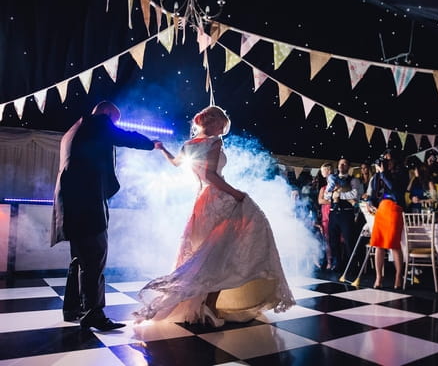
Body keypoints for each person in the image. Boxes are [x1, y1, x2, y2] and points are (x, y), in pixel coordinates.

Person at [133, 105, 294, 326]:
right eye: (222, 125)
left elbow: (175, 163)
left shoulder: (188, 144)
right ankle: (208, 306)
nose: (222, 130)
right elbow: (210, 175)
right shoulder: (215, 142)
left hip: (201, 201)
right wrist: (237, 194)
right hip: (218, 198)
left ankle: (205, 306)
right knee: (224, 253)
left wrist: (162, 149)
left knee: (207, 255)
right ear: (214, 122)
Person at [50, 101, 158, 331]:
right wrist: (152, 144)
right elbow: (125, 136)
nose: (113, 125)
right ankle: (94, 314)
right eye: (114, 120)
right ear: (107, 114)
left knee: (79, 260)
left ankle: (72, 309)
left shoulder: (73, 129)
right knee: (95, 259)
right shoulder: (98, 123)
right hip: (87, 204)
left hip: (70, 205)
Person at [368, 151, 408, 289]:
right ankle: (379, 277)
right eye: (384, 160)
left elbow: (395, 189)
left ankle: (398, 276)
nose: (385, 162)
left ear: (395, 161)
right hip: (382, 209)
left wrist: (384, 173)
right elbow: (374, 191)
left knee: (394, 244)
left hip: (395, 208)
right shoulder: (380, 175)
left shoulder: (402, 173)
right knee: (378, 244)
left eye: (388, 160)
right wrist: (370, 202)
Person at [324, 157, 361, 271]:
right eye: (340, 164)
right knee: (333, 240)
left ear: (348, 167)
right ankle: (337, 264)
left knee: (349, 240)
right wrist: (333, 195)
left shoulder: (353, 180)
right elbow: (326, 195)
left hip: (346, 213)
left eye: (345, 164)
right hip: (334, 213)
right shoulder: (332, 179)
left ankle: (352, 266)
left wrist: (339, 195)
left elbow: (354, 194)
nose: (342, 166)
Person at [317, 162, 334, 270]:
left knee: (337, 239)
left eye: (323, 170)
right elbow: (320, 200)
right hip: (325, 216)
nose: (322, 173)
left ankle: (337, 260)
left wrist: (327, 201)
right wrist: (331, 201)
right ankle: (329, 261)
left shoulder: (334, 184)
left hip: (333, 214)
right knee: (327, 240)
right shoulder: (323, 188)